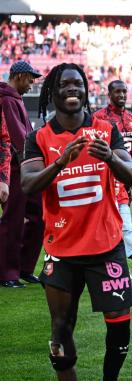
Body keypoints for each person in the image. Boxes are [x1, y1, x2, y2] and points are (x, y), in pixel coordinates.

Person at [20, 63, 132, 381]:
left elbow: (131, 174)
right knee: (60, 329)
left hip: (106, 246)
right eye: (65, 84)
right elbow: (27, 185)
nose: (73, 89)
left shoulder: (105, 129)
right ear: (52, 93)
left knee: (120, 325)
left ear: (86, 91)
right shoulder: (39, 137)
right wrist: (60, 162)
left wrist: (111, 159)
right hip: (62, 251)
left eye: (79, 84)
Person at [94, 80, 132, 270]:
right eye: (117, 92)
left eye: (124, 92)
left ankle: (130, 256)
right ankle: (122, 259)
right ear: (109, 94)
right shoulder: (98, 118)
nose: (122, 96)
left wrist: (131, 180)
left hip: (123, 178)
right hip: (103, 179)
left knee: (124, 219)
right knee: (106, 225)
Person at [0, 60, 44, 288]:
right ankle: (7, 273)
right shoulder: (7, 98)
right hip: (17, 168)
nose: (32, 83)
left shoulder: (14, 98)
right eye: (30, 78)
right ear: (18, 76)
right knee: (13, 220)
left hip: (26, 167)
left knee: (39, 216)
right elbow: (15, 137)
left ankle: (25, 268)